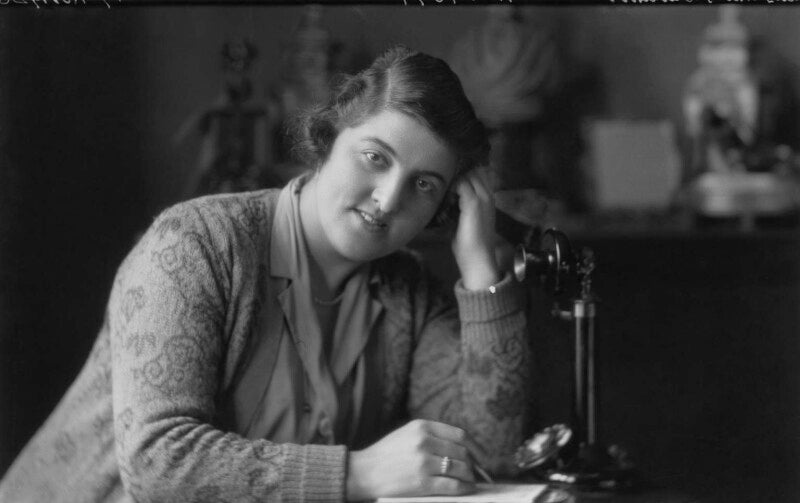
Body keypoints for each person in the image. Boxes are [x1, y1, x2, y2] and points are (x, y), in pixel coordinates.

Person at [0, 46, 530, 502]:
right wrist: (359, 473)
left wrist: (481, 272)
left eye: (424, 185)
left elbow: (489, 457)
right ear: (328, 138)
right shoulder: (195, 244)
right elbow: (156, 462)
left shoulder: (408, 294)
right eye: (375, 157)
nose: (389, 199)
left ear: (445, 206)